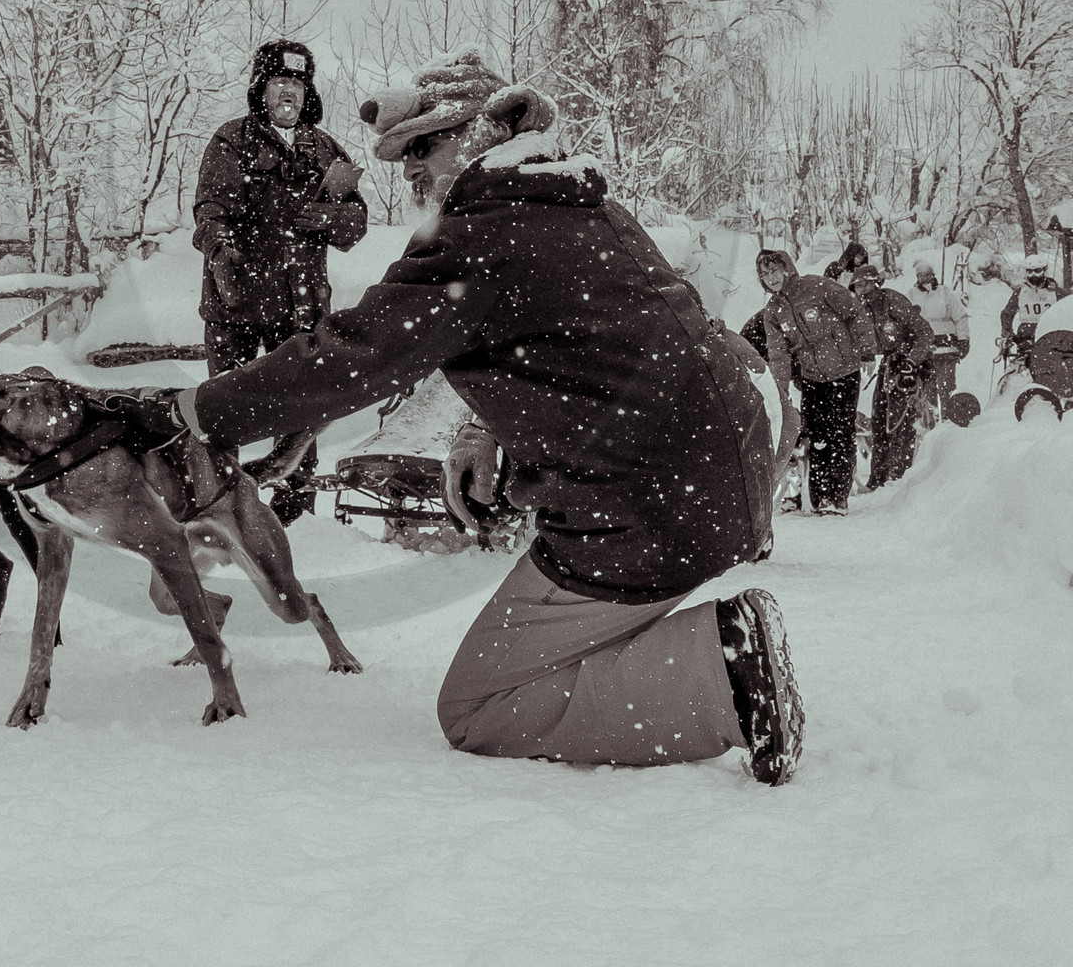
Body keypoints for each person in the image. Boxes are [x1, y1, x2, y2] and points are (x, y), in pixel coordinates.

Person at [172, 48, 802, 784]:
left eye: (422, 147)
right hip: (711, 476)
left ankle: (727, 668)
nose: (406, 169)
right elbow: (567, 341)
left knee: (479, 705)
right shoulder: (571, 199)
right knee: (529, 656)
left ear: (484, 132)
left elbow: (356, 353)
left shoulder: (482, 229)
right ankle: (698, 652)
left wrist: (192, 409)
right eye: (400, 155)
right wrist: (483, 429)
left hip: (648, 505)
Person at [191, 38, 368, 523]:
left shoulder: (326, 148)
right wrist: (224, 254)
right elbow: (209, 212)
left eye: (296, 82)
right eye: (279, 82)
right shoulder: (232, 141)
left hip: (302, 306)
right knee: (228, 406)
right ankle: (220, 502)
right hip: (238, 302)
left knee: (300, 407)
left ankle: (296, 507)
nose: (288, 91)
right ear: (261, 90)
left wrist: (329, 217)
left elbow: (356, 223)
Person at [757, 249, 877, 516]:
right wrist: (779, 389)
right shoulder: (773, 311)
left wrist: (867, 350)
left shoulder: (816, 286)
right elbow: (779, 354)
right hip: (812, 377)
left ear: (786, 267)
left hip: (844, 370)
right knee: (816, 436)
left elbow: (854, 310)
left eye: (774, 270)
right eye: (764, 275)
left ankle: (838, 497)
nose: (771, 278)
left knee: (841, 433)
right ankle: (820, 496)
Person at [849, 265, 934, 488]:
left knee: (901, 422)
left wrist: (912, 362)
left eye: (867, 284)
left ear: (877, 283)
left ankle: (898, 477)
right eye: (858, 286)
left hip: (911, 365)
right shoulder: (859, 309)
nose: (863, 290)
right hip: (888, 365)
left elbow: (925, 333)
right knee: (879, 422)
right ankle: (878, 478)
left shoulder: (894, 301)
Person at [909, 259, 969, 421]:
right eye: (920, 275)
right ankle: (930, 421)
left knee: (946, 386)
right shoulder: (912, 294)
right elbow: (907, 322)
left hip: (947, 348)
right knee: (927, 388)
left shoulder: (945, 293)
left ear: (933, 275)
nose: (924, 278)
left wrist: (963, 339)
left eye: (927, 275)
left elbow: (960, 317)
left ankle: (949, 419)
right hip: (924, 351)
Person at [999, 253, 1063, 340]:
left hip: (1050, 336)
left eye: (1037, 271)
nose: (1033, 275)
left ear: (1044, 270)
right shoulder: (1020, 293)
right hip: (1026, 337)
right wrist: (1007, 334)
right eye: (1029, 271)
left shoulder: (1057, 292)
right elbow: (1007, 314)